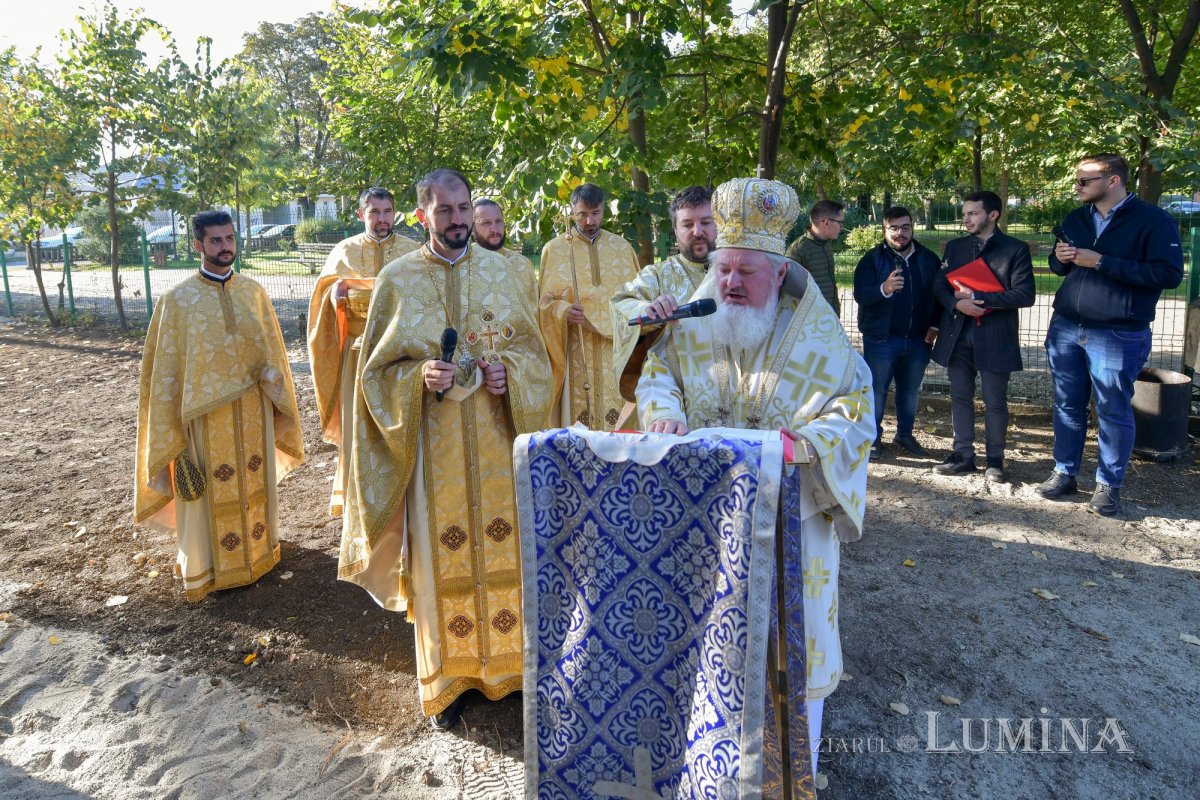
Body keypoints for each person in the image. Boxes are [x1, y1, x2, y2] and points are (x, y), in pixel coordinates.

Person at [636, 176, 875, 774]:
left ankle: (797, 768)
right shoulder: (694, 320)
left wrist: (807, 445)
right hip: (704, 516)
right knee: (702, 648)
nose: (731, 283)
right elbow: (658, 373)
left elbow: (854, 405)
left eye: (746, 271)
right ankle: (702, 765)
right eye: (723, 270)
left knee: (790, 652)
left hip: (790, 520)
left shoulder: (817, 334)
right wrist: (663, 414)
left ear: (777, 272)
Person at [338, 169, 553, 730]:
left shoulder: (509, 273)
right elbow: (374, 376)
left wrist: (513, 376)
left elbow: (538, 358)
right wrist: (418, 379)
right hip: (434, 456)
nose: (458, 221)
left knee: (508, 552)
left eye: (464, 209)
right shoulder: (397, 279)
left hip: (498, 445)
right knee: (441, 558)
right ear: (422, 216)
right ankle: (448, 681)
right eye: (445, 211)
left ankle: (510, 671)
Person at [134, 210, 305, 601]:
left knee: (253, 481)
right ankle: (207, 566)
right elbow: (164, 374)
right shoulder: (176, 301)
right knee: (209, 489)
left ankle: (259, 555)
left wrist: (276, 391)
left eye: (229, 239)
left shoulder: (253, 292)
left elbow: (273, 353)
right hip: (203, 420)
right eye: (216, 240)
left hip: (252, 411)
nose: (226, 246)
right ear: (198, 245)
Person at [1037, 154, 1184, 515]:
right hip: (1067, 327)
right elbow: (1060, 268)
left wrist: (1101, 262)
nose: (1078, 186)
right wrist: (1061, 257)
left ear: (1113, 180)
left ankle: (1108, 485)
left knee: (1113, 409)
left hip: (1117, 332)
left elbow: (1168, 275)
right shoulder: (1077, 218)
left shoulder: (1153, 221)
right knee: (1067, 405)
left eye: (1084, 180)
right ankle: (1064, 472)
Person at [307, 187, 419, 516]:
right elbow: (323, 300)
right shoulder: (344, 251)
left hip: (401, 354)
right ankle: (358, 494)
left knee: (399, 421)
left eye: (387, 212)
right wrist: (334, 295)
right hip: (356, 356)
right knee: (360, 422)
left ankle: (404, 490)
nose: (382, 219)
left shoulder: (412, 252)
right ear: (361, 215)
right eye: (375, 212)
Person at [931, 191, 1035, 483]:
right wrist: (956, 304)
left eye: (973, 214)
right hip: (958, 334)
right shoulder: (954, 247)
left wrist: (980, 298)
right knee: (959, 397)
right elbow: (938, 286)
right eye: (964, 214)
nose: (966, 219)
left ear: (993, 215)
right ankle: (962, 455)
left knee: (995, 401)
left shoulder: (1015, 249)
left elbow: (1025, 295)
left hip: (995, 336)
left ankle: (995, 461)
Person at [539, 182, 640, 429]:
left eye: (595, 213)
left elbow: (636, 299)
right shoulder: (555, 249)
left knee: (618, 423)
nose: (589, 221)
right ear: (572, 212)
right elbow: (543, 304)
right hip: (575, 348)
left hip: (614, 349)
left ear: (604, 210)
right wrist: (563, 311)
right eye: (582, 215)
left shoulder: (622, 248)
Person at [610, 185, 716, 406]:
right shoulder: (657, 275)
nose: (697, 231)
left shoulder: (740, 272)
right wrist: (648, 310)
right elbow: (621, 302)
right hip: (674, 396)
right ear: (676, 232)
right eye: (687, 224)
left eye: (706, 222)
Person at [852, 206, 941, 458]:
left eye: (905, 227)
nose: (900, 233)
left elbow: (939, 296)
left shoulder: (928, 258)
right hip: (882, 339)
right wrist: (884, 288)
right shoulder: (871, 259)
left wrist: (935, 326)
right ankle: (872, 438)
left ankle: (905, 434)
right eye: (894, 228)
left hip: (919, 339)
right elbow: (861, 294)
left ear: (913, 228)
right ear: (885, 230)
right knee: (877, 390)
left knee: (910, 391)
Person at [785, 199, 845, 316]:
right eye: (840, 222)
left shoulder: (826, 245)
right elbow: (788, 290)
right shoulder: (798, 250)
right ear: (827, 222)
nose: (842, 227)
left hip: (829, 317)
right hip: (810, 322)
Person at [472, 197, 534, 274]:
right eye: (486, 223)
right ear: (472, 229)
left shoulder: (522, 265)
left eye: (498, 221)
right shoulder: (461, 266)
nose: (494, 229)